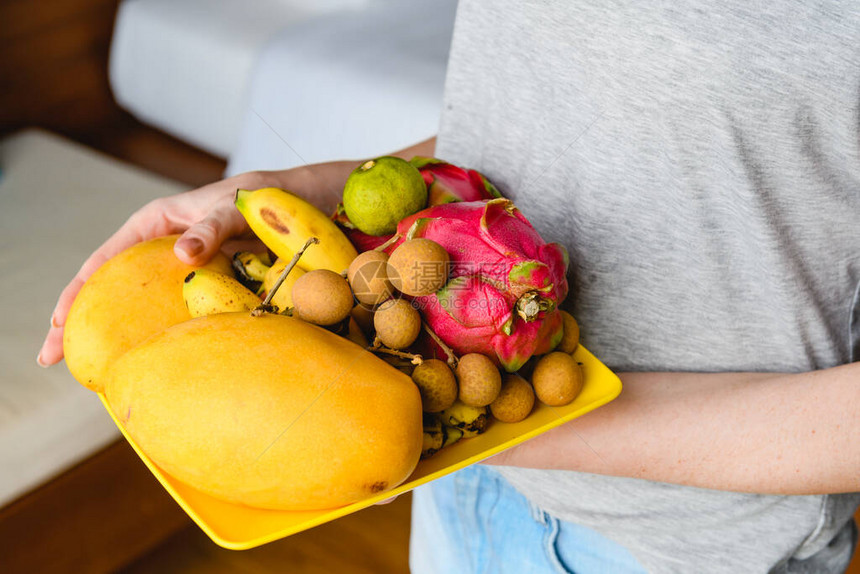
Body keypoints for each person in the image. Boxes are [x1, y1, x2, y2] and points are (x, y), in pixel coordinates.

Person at [39, 1, 860, 572]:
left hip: (673, 546)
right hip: (468, 495)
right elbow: (562, 111)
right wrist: (315, 187)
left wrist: (510, 426)